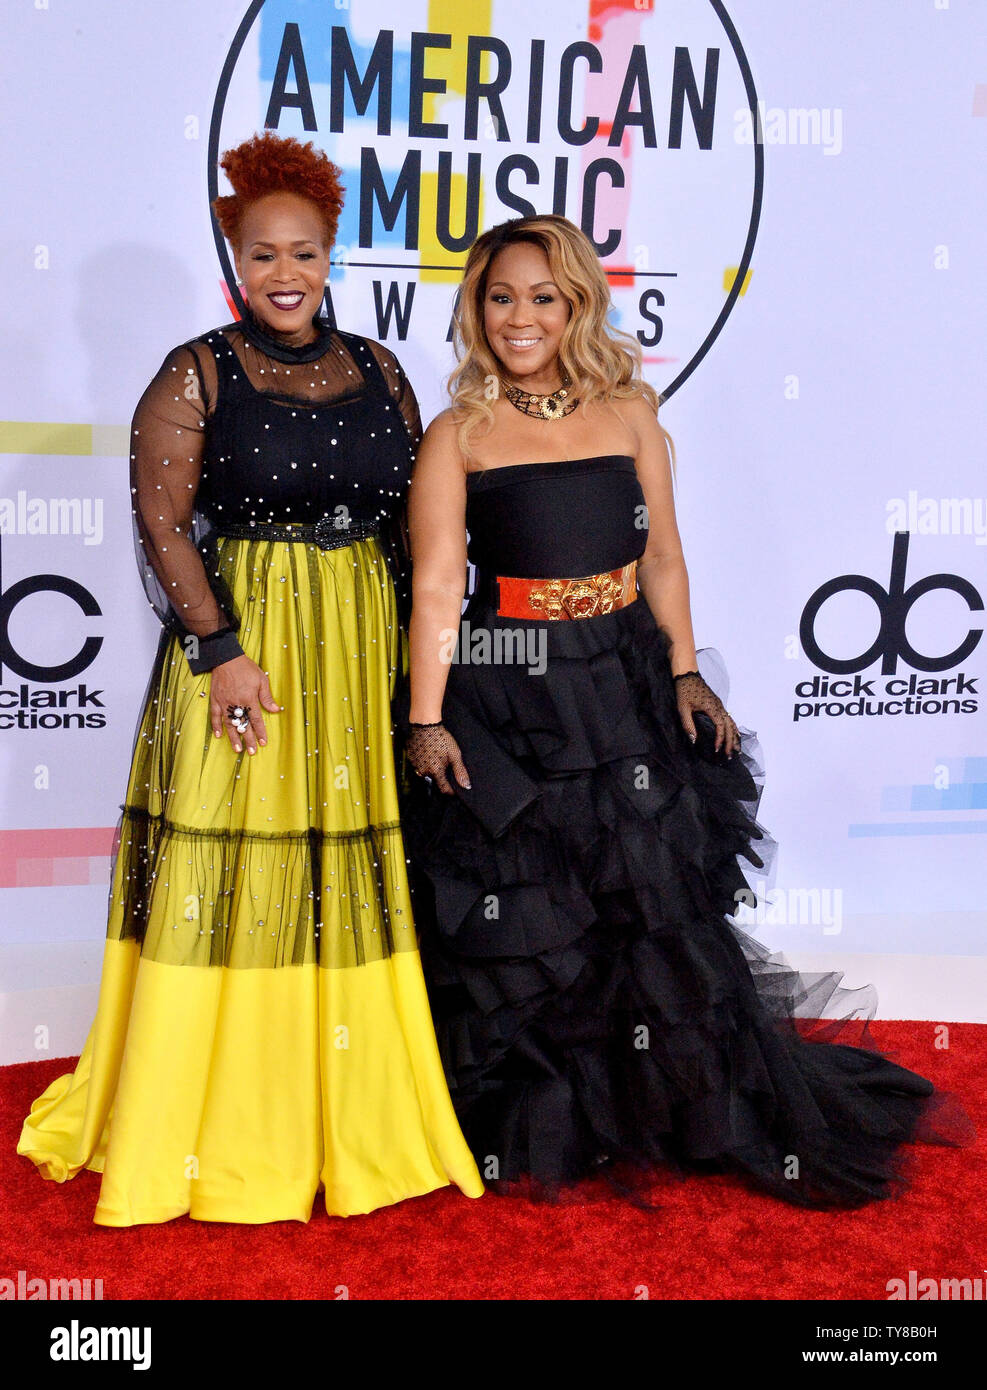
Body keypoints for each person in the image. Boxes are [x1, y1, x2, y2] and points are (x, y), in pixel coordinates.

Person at [400, 213, 970, 1209]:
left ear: (577, 302)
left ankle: (674, 1105)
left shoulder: (631, 410)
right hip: (512, 682)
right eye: (501, 297)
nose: (521, 317)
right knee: (536, 910)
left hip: (619, 674)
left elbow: (663, 555)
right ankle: (558, 1118)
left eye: (544, 296)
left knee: (648, 902)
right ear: (475, 309)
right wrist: (428, 718)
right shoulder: (458, 432)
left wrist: (681, 672)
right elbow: (441, 584)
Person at [17, 132, 483, 1224]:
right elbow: (163, 524)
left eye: (307, 255)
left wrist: (426, 670)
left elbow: (418, 521)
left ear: (332, 259)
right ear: (234, 257)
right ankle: (214, 1120)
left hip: (357, 644)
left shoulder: (381, 369)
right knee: (228, 871)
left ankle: (343, 1111)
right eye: (265, 255)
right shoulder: (194, 371)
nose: (287, 275)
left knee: (341, 873)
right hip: (247, 650)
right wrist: (221, 652)